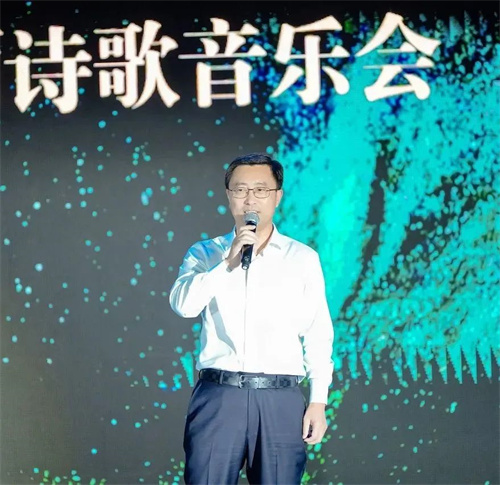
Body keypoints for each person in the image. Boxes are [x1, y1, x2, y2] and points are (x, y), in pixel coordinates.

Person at [169, 153, 334, 485]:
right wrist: (227, 264)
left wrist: (318, 400)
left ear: (277, 196)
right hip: (219, 395)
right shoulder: (205, 253)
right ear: (228, 195)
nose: (250, 199)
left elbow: (318, 332)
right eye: (241, 189)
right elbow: (183, 306)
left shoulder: (302, 258)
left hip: (279, 398)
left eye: (260, 190)